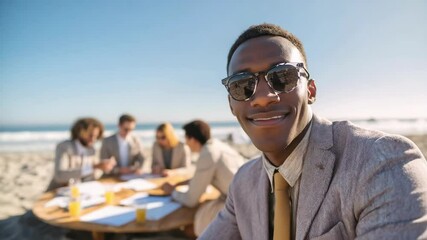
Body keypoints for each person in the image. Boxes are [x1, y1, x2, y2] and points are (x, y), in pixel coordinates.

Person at [200, 23, 427, 239]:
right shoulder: (243, 182)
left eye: (282, 77)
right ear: (231, 104)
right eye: (242, 85)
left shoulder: (383, 165)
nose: (262, 97)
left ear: (310, 91)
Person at [161, 120, 245, 236]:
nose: (185, 143)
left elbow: (191, 200)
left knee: (195, 221)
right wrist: (178, 184)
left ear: (192, 139)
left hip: (240, 207)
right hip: (242, 198)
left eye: (186, 139)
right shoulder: (217, 145)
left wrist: (172, 192)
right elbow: (200, 177)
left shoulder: (208, 153)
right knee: (203, 210)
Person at [47, 117, 114, 191]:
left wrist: (104, 167)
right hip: (57, 192)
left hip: (80, 193)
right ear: (80, 132)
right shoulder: (64, 147)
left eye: (96, 136)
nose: (93, 139)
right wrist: (94, 167)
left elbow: (92, 176)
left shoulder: (91, 150)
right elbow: (60, 176)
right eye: (90, 135)